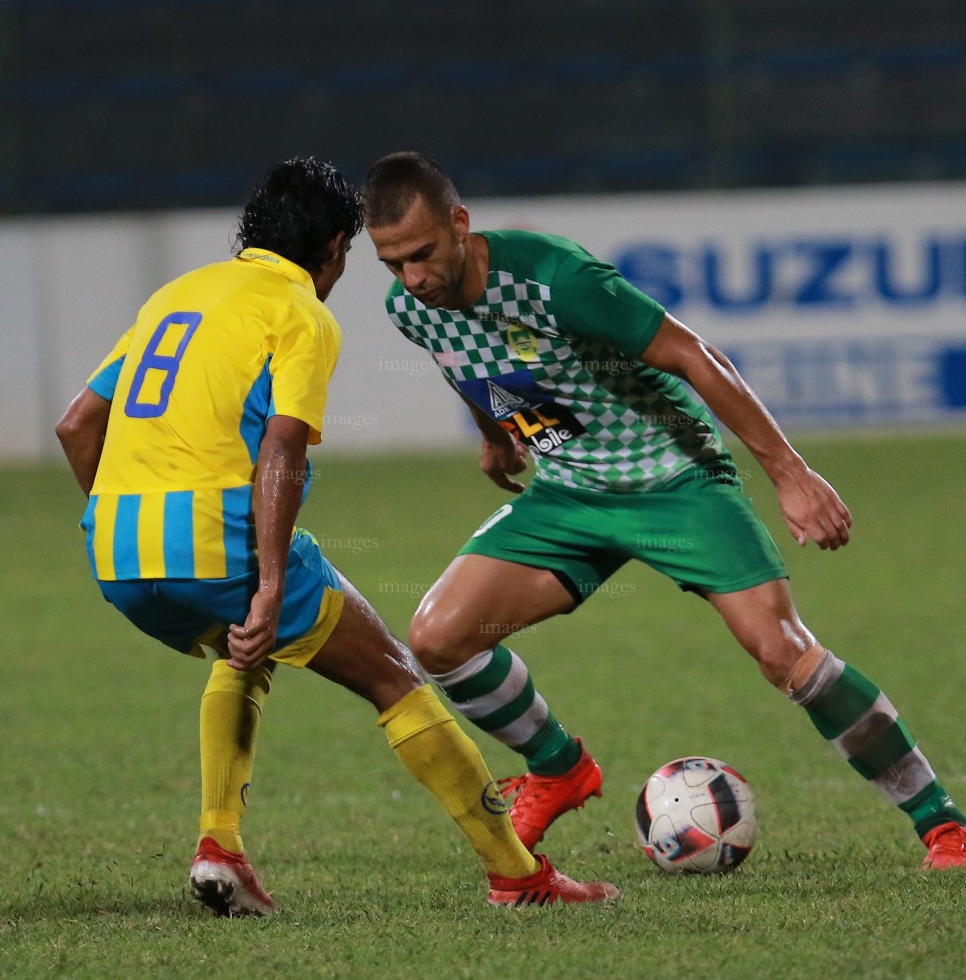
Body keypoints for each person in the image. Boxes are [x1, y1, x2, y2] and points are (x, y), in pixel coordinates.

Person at [362, 150, 966, 870]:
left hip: (675, 477)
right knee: (438, 637)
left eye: (422, 254)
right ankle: (559, 767)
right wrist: (496, 440)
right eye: (392, 264)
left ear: (459, 224)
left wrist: (790, 474)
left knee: (785, 654)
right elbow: (469, 364)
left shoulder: (557, 279)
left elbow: (698, 357)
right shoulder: (411, 309)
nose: (413, 278)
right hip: (570, 491)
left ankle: (944, 824)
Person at [54, 156, 619, 915]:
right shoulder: (299, 315)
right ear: (330, 252)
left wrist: (133, 519)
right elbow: (282, 452)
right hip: (216, 539)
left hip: (117, 550)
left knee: (243, 654)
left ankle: (221, 848)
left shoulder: (176, 295)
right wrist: (271, 581)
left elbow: (75, 425)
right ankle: (519, 877)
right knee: (395, 676)